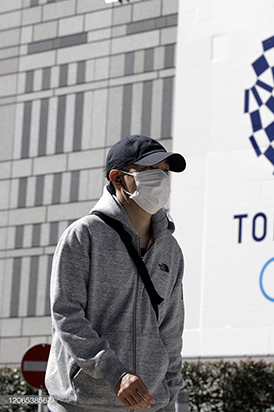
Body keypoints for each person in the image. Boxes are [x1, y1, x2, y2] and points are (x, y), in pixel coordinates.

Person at [45, 135, 187, 411]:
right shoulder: (84, 235)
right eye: (149, 170)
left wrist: (168, 395)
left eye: (165, 171)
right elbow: (67, 315)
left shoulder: (170, 249)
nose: (161, 179)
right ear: (118, 178)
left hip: (148, 404)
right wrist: (114, 373)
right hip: (81, 403)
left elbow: (171, 329)